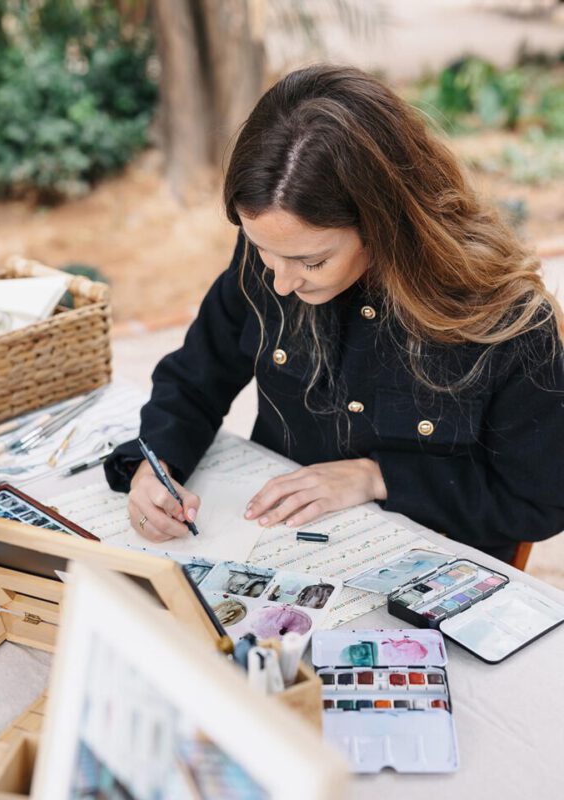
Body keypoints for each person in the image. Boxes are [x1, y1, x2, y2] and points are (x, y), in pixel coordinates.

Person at [104, 65, 564, 564]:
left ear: (384, 222)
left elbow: (539, 502)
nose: (280, 282)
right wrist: (157, 464)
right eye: (262, 250)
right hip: (274, 550)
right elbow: (196, 378)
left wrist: (378, 477)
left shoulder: (505, 319)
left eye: (312, 261)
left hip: (430, 573)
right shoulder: (280, 247)